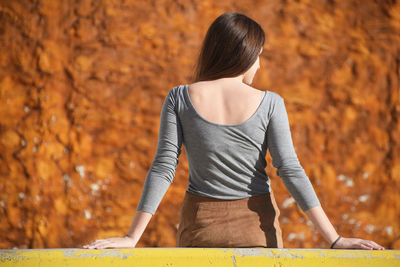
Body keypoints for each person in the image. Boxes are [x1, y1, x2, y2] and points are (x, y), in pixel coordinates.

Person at [83, 12, 385, 250]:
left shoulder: (179, 97)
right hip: (256, 232)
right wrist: (333, 238)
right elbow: (290, 170)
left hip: (198, 229)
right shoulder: (270, 103)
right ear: (246, 54)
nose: (260, 65)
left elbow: (164, 168)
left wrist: (131, 236)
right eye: (259, 55)